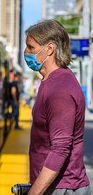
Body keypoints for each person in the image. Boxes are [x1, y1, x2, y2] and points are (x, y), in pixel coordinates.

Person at [24, 20, 90, 194]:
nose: (26, 52)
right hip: (54, 186)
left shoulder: (60, 89)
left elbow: (60, 149)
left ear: (50, 49)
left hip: (62, 188)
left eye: (30, 47)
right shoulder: (51, 82)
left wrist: (34, 192)